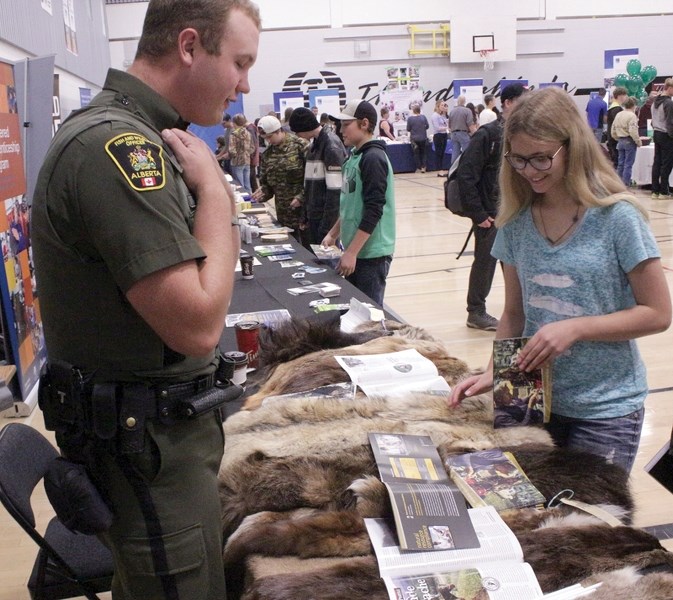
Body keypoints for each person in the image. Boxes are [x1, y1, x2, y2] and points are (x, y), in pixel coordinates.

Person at [31, 1, 261, 598]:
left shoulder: (140, 136)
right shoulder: (118, 150)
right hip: (148, 454)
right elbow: (198, 325)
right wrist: (216, 196)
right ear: (188, 46)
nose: (244, 85)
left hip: (160, 441)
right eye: (238, 63)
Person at [449, 87, 671, 474]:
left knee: (585, 524)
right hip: (528, 398)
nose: (530, 171)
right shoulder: (516, 223)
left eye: (541, 158)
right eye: (518, 160)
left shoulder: (618, 218)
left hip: (604, 410)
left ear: (573, 147)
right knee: (525, 519)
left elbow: (657, 313)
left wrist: (575, 328)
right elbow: (514, 315)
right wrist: (493, 372)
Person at [456, 83, 527, 332]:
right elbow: (466, 175)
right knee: (485, 263)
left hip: (515, 212)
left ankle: (519, 312)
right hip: (490, 214)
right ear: (507, 103)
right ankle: (476, 311)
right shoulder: (487, 135)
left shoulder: (522, 134)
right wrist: (478, 214)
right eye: (522, 100)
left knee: (516, 265)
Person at [321, 100, 395, 307]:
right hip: (356, 250)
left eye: (346, 125)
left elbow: (374, 211)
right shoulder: (353, 158)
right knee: (354, 312)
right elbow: (349, 206)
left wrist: (352, 252)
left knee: (368, 316)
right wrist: (334, 233)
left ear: (364, 124)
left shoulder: (373, 159)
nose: (340, 130)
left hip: (372, 254)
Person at [289, 107, 348, 247]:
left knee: (328, 264)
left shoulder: (330, 146)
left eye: (297, 131)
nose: (296, 135)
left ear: (304, 127)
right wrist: (305, 215)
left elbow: (335, 193)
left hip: (325, 221)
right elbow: (309, 186)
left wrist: (328, 229)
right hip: (314, 217)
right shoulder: (314, 146)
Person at [253, 115, 308, 242]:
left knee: (307, 249)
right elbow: (267, 184)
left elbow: (313, 180)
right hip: (283, 213)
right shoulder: (268, 154)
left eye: (269, 137)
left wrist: (302, 196)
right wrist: (262, 193)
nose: (268, 141)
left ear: (279, 131)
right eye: (264, 138)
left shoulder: (300, 146)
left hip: (303, 213)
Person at [611, 96, 641, 187]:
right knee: (628, 164)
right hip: (629, 141)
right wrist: (638, 141)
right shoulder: (632, 115)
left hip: (620, 141)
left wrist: (617, 138)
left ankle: (618, 184)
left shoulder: (619, 114)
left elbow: (613, 130)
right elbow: (633, 131)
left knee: (620, 164)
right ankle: (625, 184)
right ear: (634, 105)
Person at [651, 78, 673, 199]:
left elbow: (653, 120)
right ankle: (664, 191)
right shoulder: (669, 103)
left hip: (656, 133)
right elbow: (670, 122)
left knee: (657, 162)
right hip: (666, 135)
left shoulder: (655, 101)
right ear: (669, 88)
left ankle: (655, 191)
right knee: (667, 164)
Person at [229, 112, 254, 193]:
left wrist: (235, 155)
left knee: (240, 185)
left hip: (237, 162)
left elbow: (231, 149)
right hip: (247, 160)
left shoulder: (233, 134)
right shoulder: (248, 133)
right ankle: (251, 201)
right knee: (247, 185)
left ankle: (244, 201)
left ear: (234, 123)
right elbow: (252, 147)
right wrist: (247, 153)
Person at [448, 95, 476, 165]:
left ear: (457, 102)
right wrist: (476, 134)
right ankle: (466, 169)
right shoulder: (467, 111)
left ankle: (453, 171)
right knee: (467, 153)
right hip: (463, 134)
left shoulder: (452, 111)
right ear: (464, 102)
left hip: (454, 134)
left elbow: (449, 125)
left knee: (455, 153)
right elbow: (470, 125)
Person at [606, 86, 628, 168]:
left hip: (611, 136)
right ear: (620, 96)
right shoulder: (617, 109)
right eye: (625, 95)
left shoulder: (612, 108)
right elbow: (619, 124)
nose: (626, 98)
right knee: (618, 161)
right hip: (615, 138)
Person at [406, 104, 429, 173]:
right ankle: (423, 167)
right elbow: (427, 126)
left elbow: (408, 129)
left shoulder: (410, 119)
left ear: (413, 111)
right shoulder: (423, 117)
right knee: (424, 153)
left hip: (414, 139)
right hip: (423, 138)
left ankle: (418, 167)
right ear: (419, 110)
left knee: (416, 154)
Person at [431, 99, 449, 176]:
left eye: (444, 105)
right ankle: (439, 169)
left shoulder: (442, 115)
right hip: (438, 135)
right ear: (438, 106)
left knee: (442, 153)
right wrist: (446, 128)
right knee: (439, 153)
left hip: (444, 135)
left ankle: (441, 168)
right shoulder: (435, 115)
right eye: (442, 105)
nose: (443, 107)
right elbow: (437, 127)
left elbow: (447, 122)